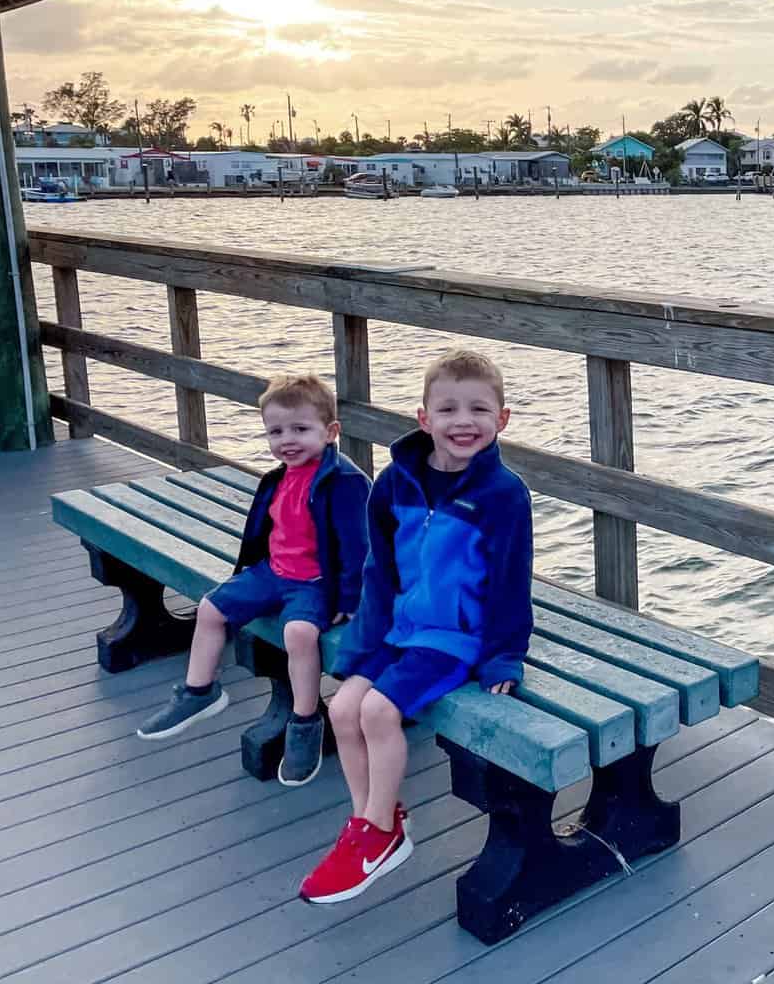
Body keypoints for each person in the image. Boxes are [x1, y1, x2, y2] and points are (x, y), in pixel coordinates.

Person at [300, 348, 533, 904]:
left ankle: (381, 831)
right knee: (342, 707)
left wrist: (503, 655)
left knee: (379, 712)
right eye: (448, 409)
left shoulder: (502, 496)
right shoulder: (395, 483)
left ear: (501, 420)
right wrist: (362, 645)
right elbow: (378, 570)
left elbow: (510, 581)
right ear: (424, 419)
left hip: (454, 639)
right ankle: (368, 822)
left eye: (479, 409)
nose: (463, 421)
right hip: (400, 629)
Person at [136, 373, 371, 791]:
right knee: (210, 608)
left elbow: (358, 546)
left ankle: (304, 721)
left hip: (316, 583)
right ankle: (199, 691)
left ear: (331, 431)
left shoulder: (345, 482)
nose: (287, 440)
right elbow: (268, 533)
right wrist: (247, 574)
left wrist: (351, 598)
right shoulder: (280, 476)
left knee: (298, 633)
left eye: (300, 429)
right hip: (273, 572)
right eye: (276, 431)